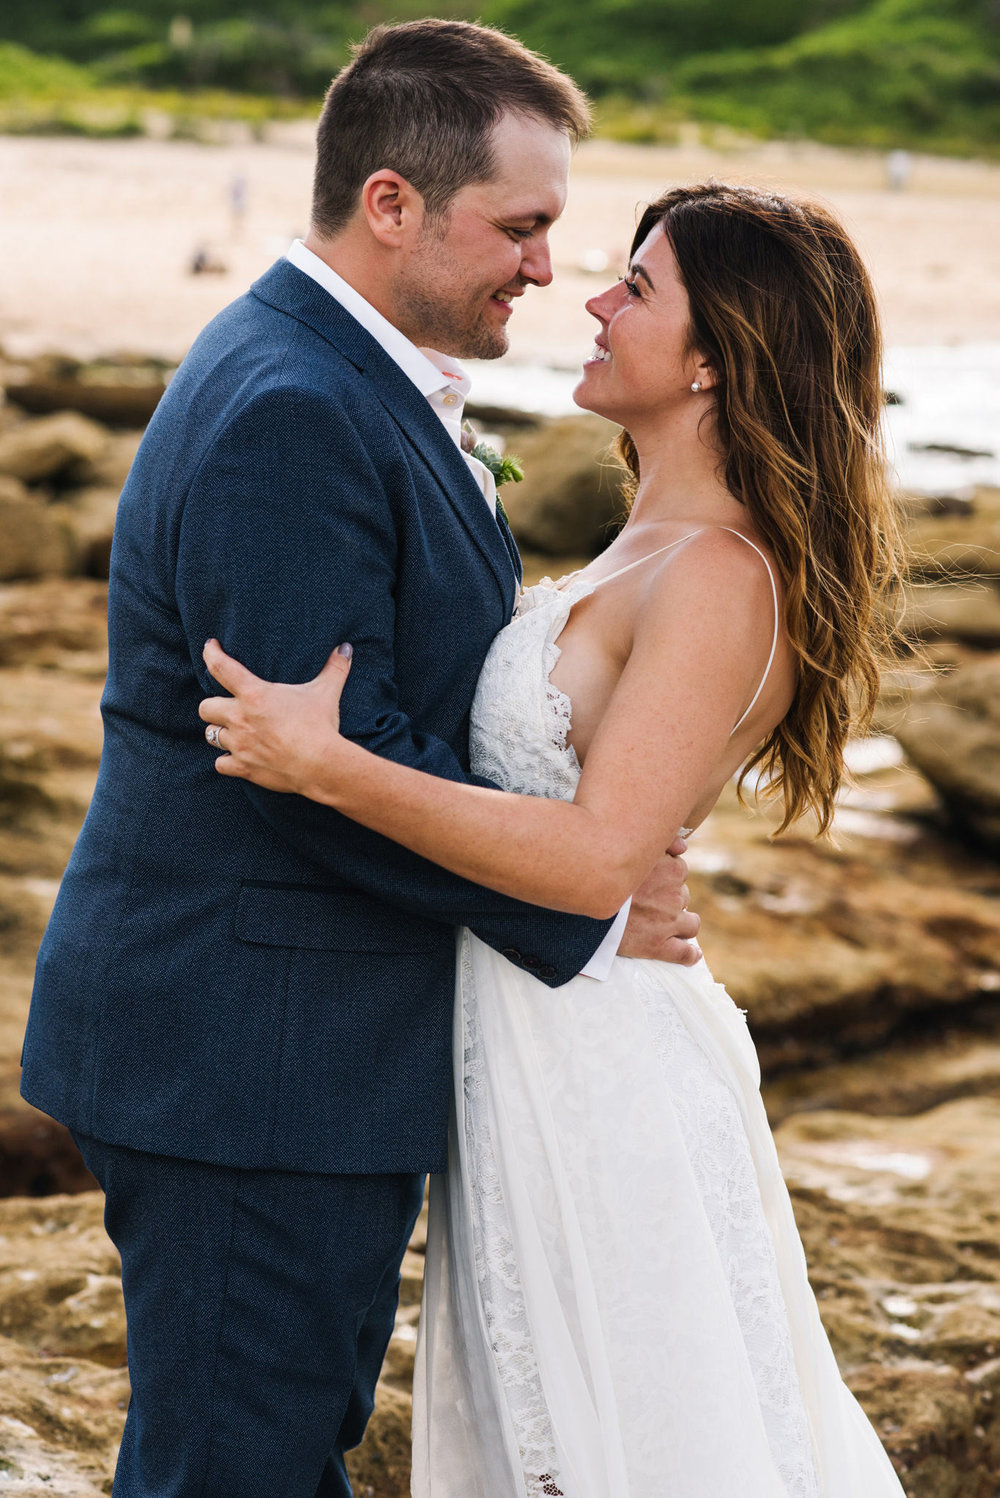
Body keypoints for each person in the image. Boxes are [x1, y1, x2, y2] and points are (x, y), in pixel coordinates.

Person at [19, 21, 697, 1498]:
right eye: (521, 227)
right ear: (392, 203)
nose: (543, 266)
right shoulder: (294, 413)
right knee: (236, 1471)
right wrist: (584, 893)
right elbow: (315, 769)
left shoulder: (338, 374)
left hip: (289, 1045)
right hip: (249, 1052)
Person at [199, 183, 910, 1496]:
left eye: (635, 288)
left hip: (602, 1067)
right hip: (534, 1035)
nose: (591, 300)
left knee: (617, 1440)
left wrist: (331, 765)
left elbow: (593, 859)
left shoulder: (719, 572)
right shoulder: (654, 535)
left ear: (713, 357)